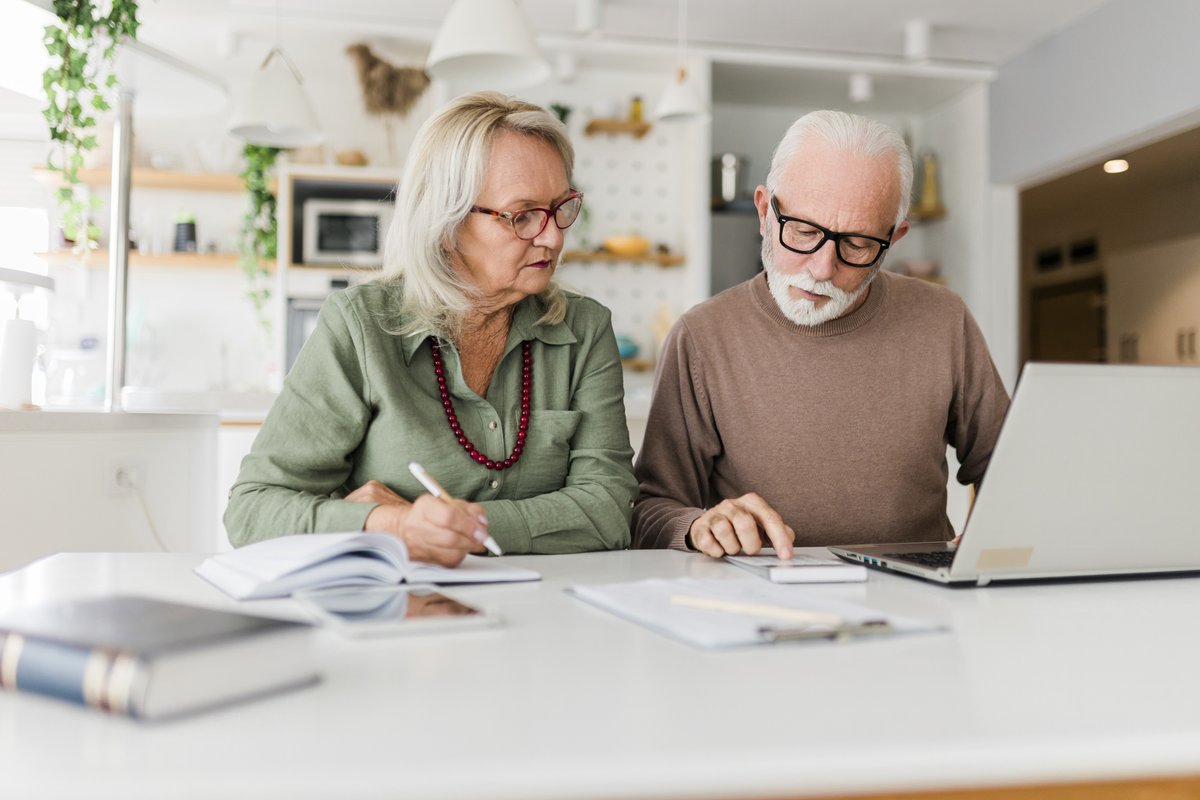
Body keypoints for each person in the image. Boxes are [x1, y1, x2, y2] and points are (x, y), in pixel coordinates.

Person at [226, 92, 637, 565]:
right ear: (446, 221)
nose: (554, 235)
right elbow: (252, 511)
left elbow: (608, 510)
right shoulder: (361, 326)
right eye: (522, 215)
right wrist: (389, 526)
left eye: (561, 207)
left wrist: (454, 527)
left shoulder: (585, 329)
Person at [632, 110, 1010, 559]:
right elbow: (650, 510)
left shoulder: (944, 319)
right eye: (804, 231)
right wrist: (697, 525)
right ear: (763, 212)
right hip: (762, 599)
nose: (822, 268)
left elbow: (1008, 466)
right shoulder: (701, 336)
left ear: (897, 237)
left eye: (857, 244)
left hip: (920, 596)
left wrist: (998, 536)